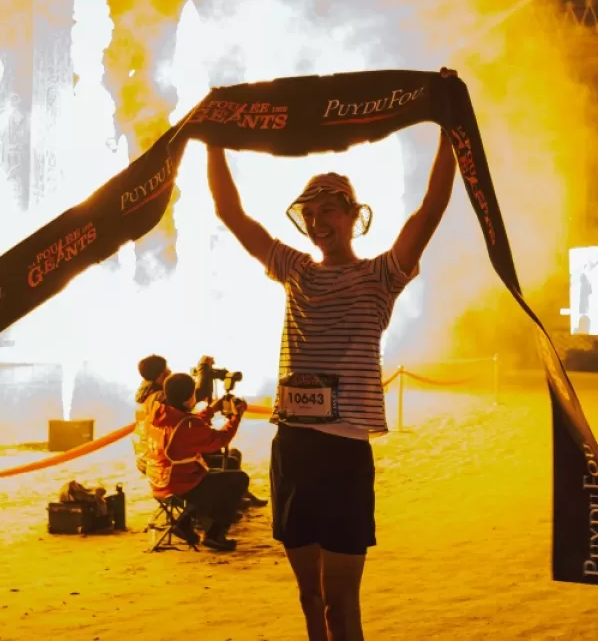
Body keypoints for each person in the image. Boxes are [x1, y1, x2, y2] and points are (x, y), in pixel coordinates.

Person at [207, 129, 456, 641]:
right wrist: (213, 142)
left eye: (329, 212)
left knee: (340, 605)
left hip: (344, 453)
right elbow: (231, 214)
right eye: (311, 214)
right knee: (309, 598)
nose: (318, 224)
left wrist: (450, 132)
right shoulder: (294, 270)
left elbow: (430, 209)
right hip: (293, 448)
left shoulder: (383, 275)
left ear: (352, 214)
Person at [143, 372, 250, 551]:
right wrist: (236, 417)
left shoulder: (160, 413)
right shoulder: (187, 425)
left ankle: (184, 522)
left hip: (158, 479)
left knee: (217, 476)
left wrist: (210, 411)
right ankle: (214, 533)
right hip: (179, 483)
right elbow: (219, 439)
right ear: (188, 398)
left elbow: (185, 425)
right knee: (238, 479)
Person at [132, 354, 170, 475]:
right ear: (160, 376)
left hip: (144, 459)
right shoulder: (159, 398)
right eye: (167, 369)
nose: (170, 371)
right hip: (157, 464)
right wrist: (204, 368)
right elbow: (191, 397)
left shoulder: (145, 396)